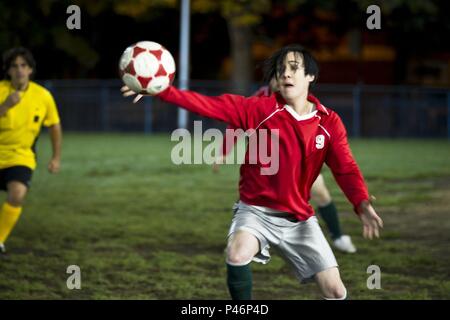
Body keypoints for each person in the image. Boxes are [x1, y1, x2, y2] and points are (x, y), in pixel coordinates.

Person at [122, 44, 383, 300]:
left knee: (335, 291)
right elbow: (209, 105)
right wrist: (163, 91)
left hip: (299, 217)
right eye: (281, 70)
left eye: (294, 68)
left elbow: (346, 168)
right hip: (255, 212)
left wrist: (360, 202)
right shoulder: (259, 109)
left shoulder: (328, 122)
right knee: (236, 253)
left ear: (310, 76)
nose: (286, 74)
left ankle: (338, 237)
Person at [213, 80, 356, 253]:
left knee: (320, 191)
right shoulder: (259, 99)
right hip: (264, 163)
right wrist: (224, 151)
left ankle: (338, 236)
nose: (283, 79)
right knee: (250, 201)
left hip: (295, 162)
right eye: (278, 75)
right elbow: (237, 122)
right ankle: (241, 239)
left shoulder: (297, 97)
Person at [0, 47, 62, 254]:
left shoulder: (42, 96)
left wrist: (56, 157)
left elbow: (54, 125)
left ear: (30, 70)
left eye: (23, 66)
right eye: (14, 66)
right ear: (8, 71)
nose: (19, 70)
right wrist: (5, 106)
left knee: (17, 194)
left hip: (20, 156)